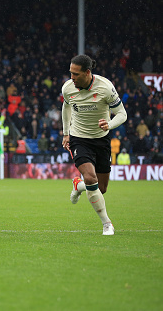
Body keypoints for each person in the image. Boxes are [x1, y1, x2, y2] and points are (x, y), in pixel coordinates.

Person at [62, 54, 127, 236]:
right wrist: (66, 133)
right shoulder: (68, 88)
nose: (72, 78)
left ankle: (78, 186)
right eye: (71, 73)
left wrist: (110, 124)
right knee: (91, 178)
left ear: (87, 72)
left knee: (101, 188)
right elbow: (66, 107)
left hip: (101, 139)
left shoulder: (105, 88)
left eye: (76, 74)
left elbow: (122, 114)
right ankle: (107, 223)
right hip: (79, 138)